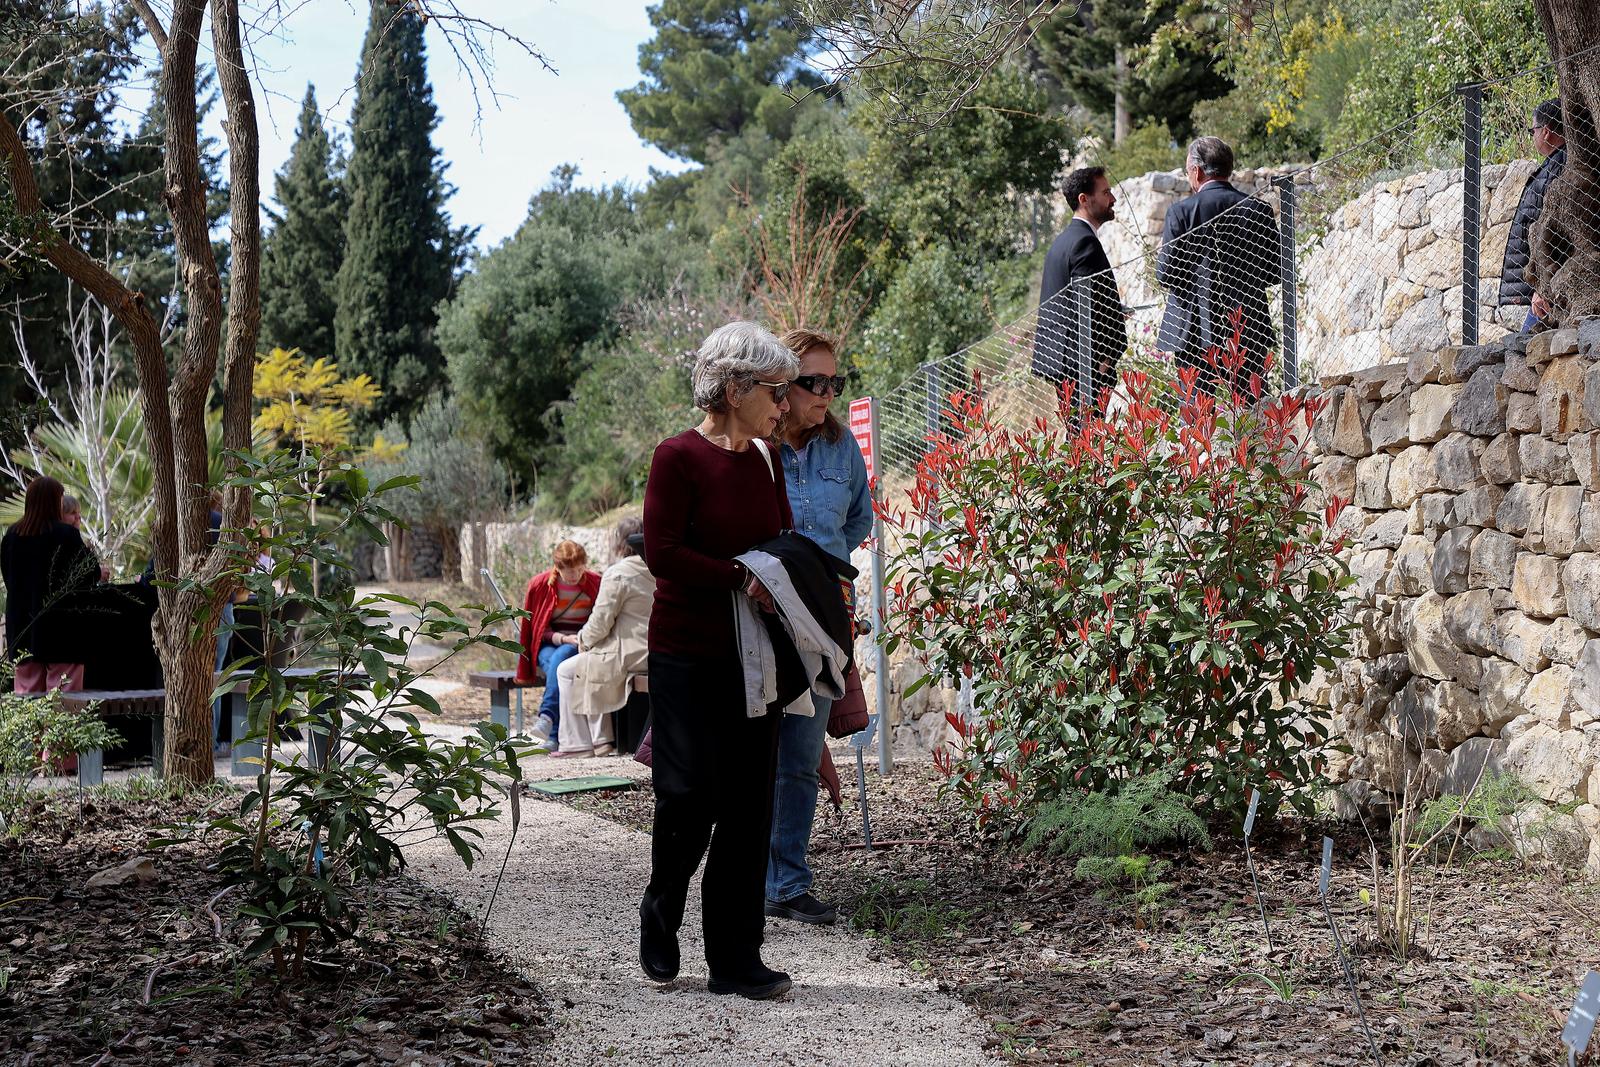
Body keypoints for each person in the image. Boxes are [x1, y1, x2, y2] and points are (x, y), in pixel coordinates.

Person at [639, 319, 798, 1001]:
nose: (785, 405)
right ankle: (661, 908)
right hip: (685, 654)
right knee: (689, 796)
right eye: (775, 391)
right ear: (735, 389)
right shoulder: (676, 457)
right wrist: (740, 576)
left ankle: (736, 959)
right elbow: (662, 552)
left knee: (748, 806)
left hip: (754, 654)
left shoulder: (767, 458)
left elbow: (782, 538)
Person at [764, 328, 872, 926]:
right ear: (783, 386)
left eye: (836, 382)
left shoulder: (842, 447)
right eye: (815, 382)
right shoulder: (756, 446)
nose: (828, 394)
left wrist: (821, 569)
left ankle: (786, 883)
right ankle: (743, 877)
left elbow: (858, 520)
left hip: (825, 617)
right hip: (762, 614)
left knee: (802, 755)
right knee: (755, 751)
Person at [1155, 136, 1281, 392]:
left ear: (1196, 171)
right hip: (1247, 324)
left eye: (1187, 171)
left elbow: (1165, 274)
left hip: (1193, 327)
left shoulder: (1181, 213)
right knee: (1252, 403)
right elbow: (1275, 271)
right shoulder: (1258, 210)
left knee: (1196, 408)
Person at [549, 517, 656, 759]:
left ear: (620, 542)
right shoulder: (659, 568)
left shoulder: (619, 573)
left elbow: (601, 622)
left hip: (629, 654)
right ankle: (600, 740)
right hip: (657, 651)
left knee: (566, 670)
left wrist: (583, 641)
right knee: (589, 665)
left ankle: (577, 743)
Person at [1034, 166, 1130, 410]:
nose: (1113, 199)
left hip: (1064, 363)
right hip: (1085, 367)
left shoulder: (1062, 242)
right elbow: (1093, 307)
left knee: (1079, 431)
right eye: (1106, 192)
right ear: (1084, 199)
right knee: (1088, 431)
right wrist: (1105, 361)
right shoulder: (1084, 242)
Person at [1, 476, 101, 693]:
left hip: (23, 626)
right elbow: (89, 574)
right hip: (63, 629)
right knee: (64, 699)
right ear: (54, 501)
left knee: (27, 697)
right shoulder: (66, 534)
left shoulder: (11, 536)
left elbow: (10, 579)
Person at [515, 540, 601, 751]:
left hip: (580, 640)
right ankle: (553, 733)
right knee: (556, 661)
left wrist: (577, 639)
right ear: (558, 567)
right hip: (549, 642)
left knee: (560, 657)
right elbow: (536, 627)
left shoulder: (595, 582)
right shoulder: (540, 584)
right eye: (570, 571)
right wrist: (562, 638)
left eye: (580, 569)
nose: (575, 575)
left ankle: (547, 720)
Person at [1500, 98, 1568, 333]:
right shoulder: (1554, 165)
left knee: (1526, 345)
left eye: (1533, 130)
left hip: (1548, 290)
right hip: (1545, 284)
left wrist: (1543, 287)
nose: (1532, 135)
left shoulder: (1560, 166)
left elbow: (1556, 230)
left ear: (1546, 131)